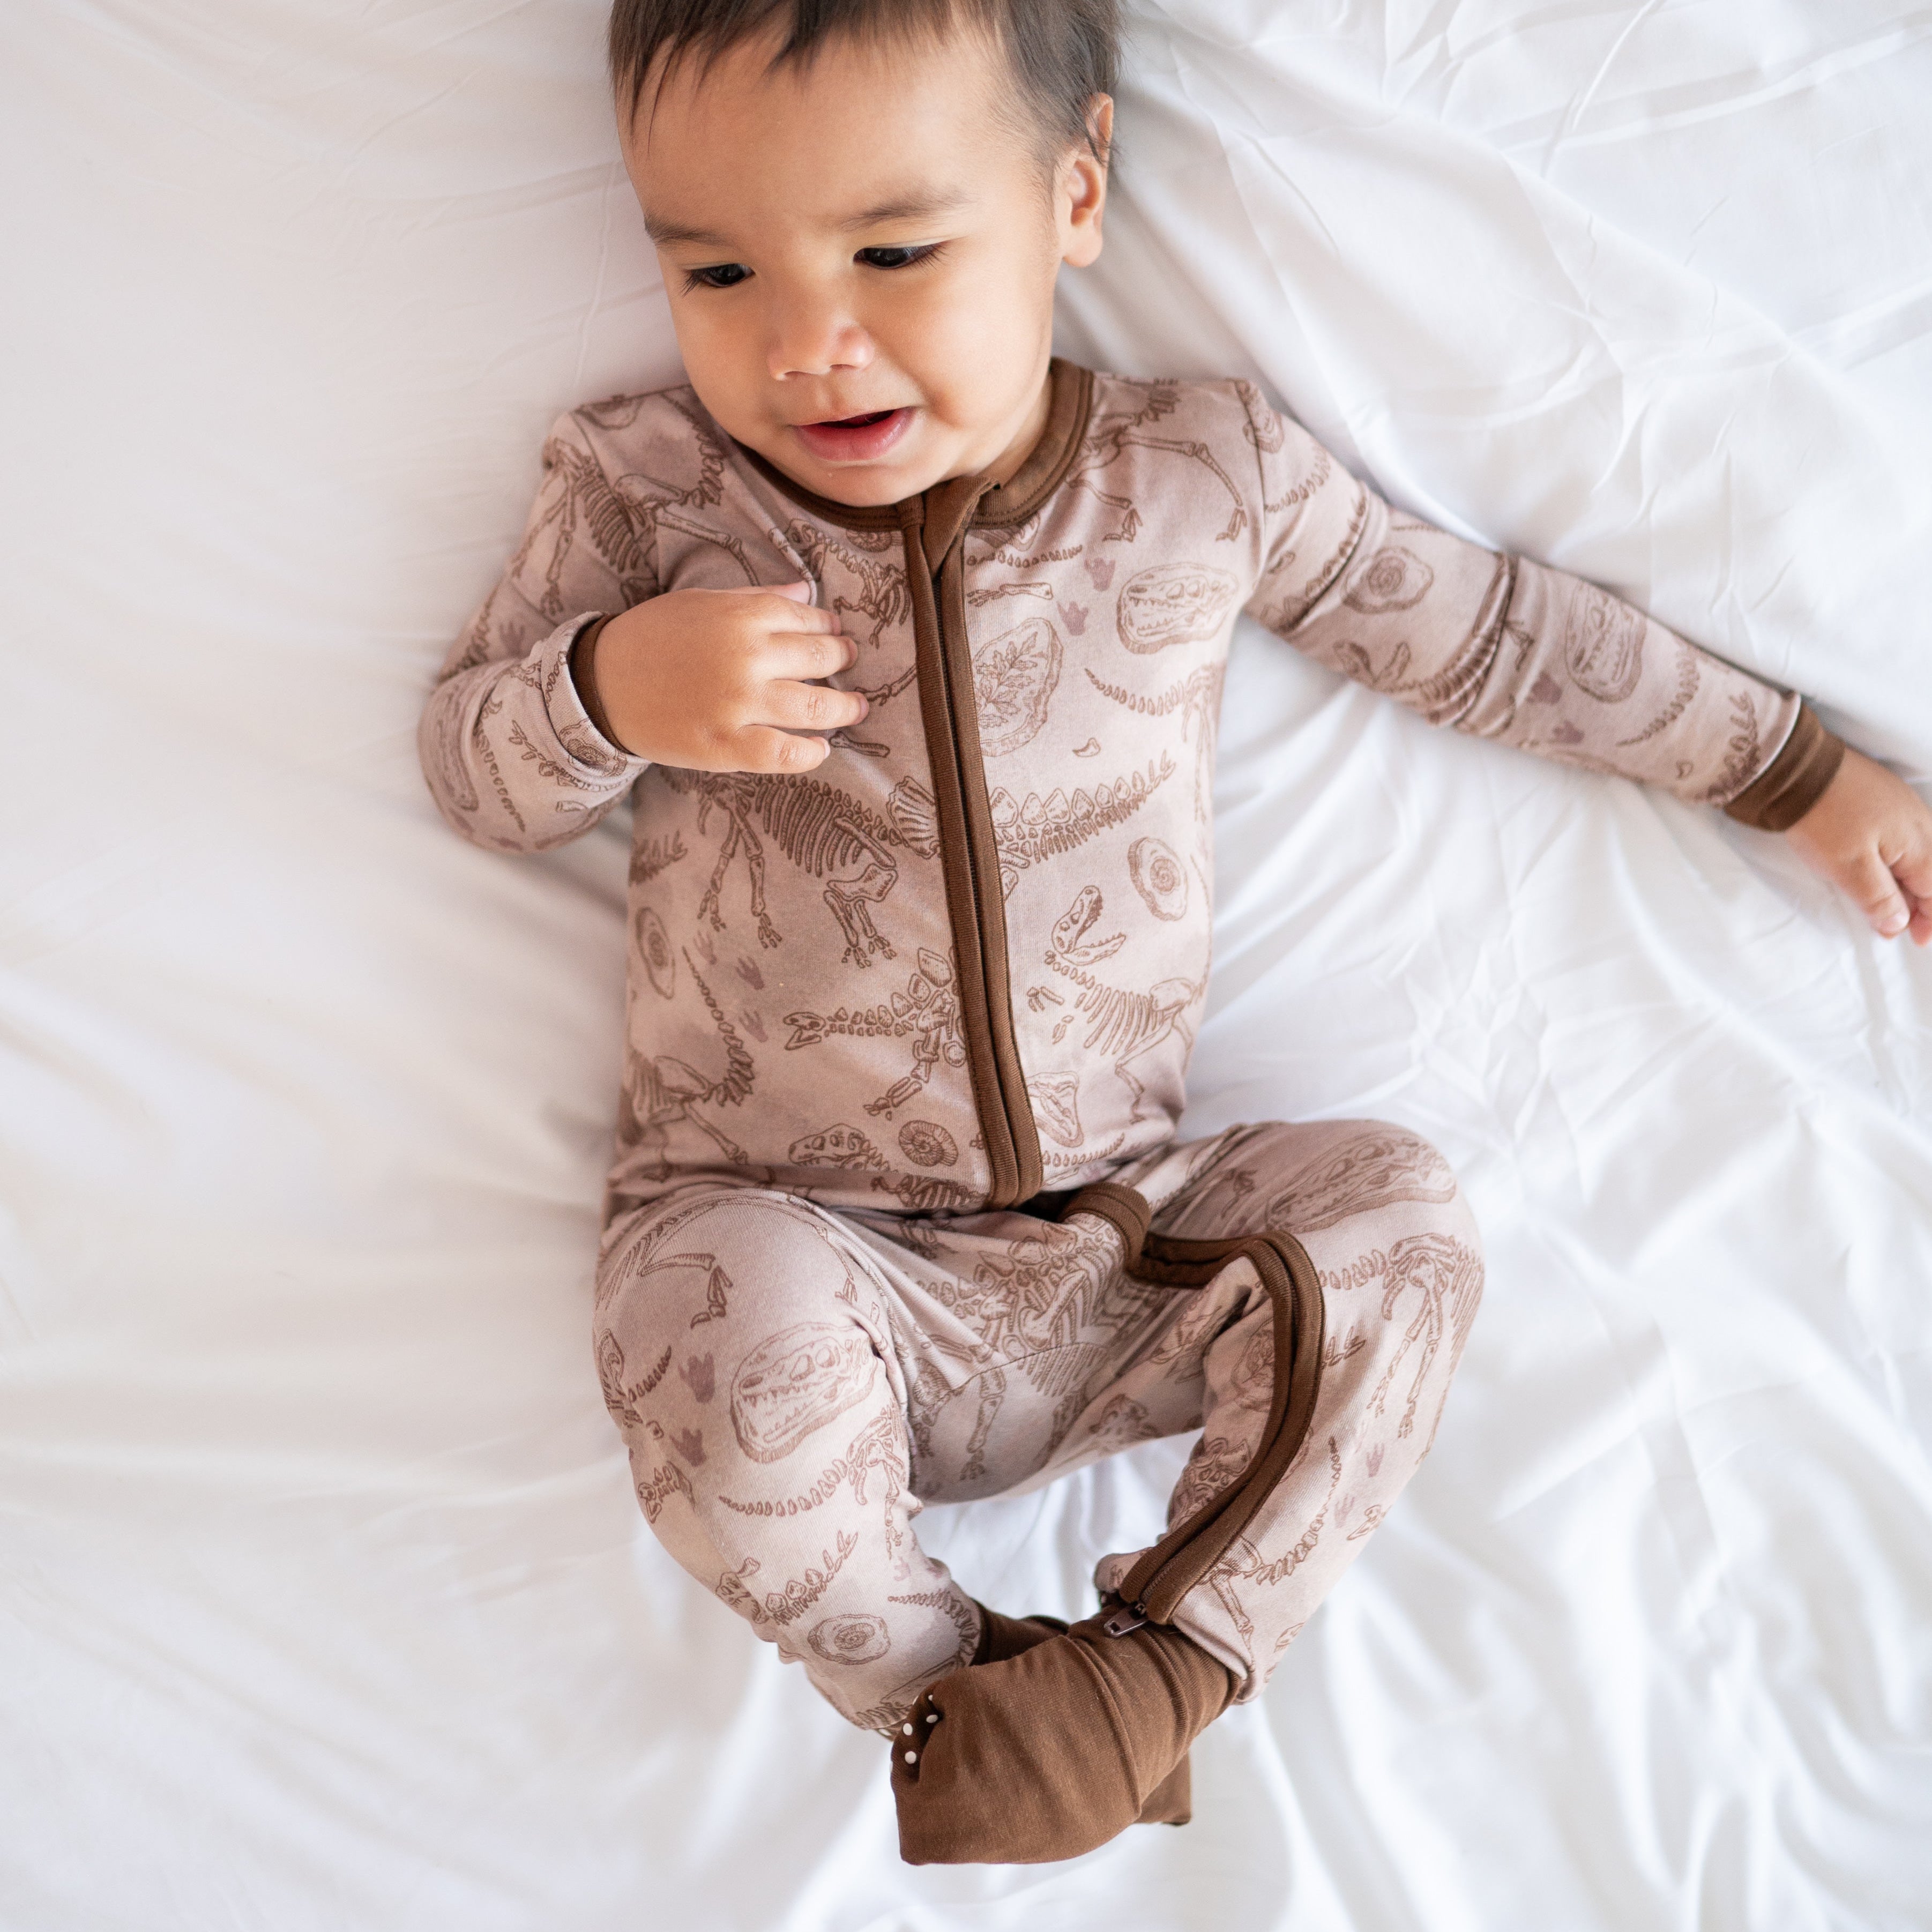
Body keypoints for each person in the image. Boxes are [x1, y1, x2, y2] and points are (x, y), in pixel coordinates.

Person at [417, 0, 1932, 1866]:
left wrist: (1793, 773)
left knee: (1400, 1226)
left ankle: (1162, 1673)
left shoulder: (1202, 480)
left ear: (1076, 191)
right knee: (702, 1356)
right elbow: (474, 775)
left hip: (1124, 1241)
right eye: (718, 267)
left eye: (897, 251)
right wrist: (606, 690)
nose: (809, 341)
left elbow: (1488, 637)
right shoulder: (649, 496)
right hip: (789, 1241)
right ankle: (964, 1700)